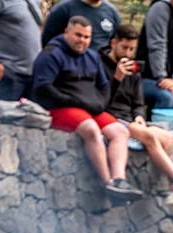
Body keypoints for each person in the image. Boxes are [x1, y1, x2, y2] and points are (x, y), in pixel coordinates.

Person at [32, 16, 143, 202]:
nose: (82, 40)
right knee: (91, 129)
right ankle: (107, 182)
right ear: (66, 32)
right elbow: (42, 89)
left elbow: (104, 86)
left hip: (89, 107)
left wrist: (100, 103)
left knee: (120, 131)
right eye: (78, 35)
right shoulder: (51, 54)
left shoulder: (92, 57)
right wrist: (73, 101)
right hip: (59, 107)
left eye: (86, 37)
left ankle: (119, 180)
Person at [102, 24, 173, 206]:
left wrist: (139, 115)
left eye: (131, 49)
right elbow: (101, 99)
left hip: (130, 120)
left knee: (171, 139)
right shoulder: (100, 64)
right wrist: (117, 78)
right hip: (111, 117)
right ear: (114, 43)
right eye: (124, 48)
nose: (128, 53)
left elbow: (138, 102)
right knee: (151, 137)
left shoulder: (133, 69)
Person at [137, 0, 173, 109]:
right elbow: (157, 45)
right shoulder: (160, 8)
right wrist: (162, 78)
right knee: (166, 96)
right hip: (146, 78)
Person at [40, 0, 119, 51]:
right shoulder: (63, 9)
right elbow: (47, 41)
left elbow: (115, 43)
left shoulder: (111, 12)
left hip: (102, 68)